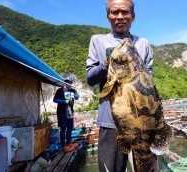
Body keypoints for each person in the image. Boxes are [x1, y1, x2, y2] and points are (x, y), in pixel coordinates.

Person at [86, 0, 153, 171]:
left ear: (133, 16)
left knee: (147, 166)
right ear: (108, 16)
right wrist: (106, 65)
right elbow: (90, 78)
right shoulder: (98, 40)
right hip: (110, 122)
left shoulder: (143, 43)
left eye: (124, 12)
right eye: (114, 12)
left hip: (142, 123)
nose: (120, 17)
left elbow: (149, 81)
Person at [53, 76, 79, 148]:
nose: (67, 83)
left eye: (69, 82)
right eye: (66, 81)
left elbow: (76, 97)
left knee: (70, 127)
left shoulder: (73, 91)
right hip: (61, 112)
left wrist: (77, 95)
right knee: (63, 128)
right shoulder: (60, 90)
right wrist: (65, 101)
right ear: (64, 82)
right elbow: (55, 100)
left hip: (70, 112)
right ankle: (63, 145)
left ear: (71, 83)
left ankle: (68, 142)